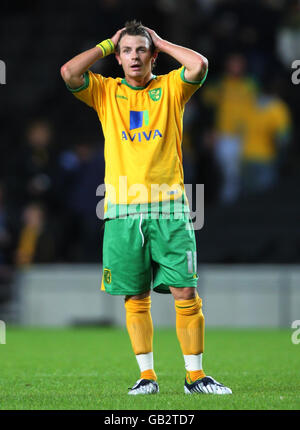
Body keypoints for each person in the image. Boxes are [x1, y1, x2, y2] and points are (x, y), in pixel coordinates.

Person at [60, 20, 231, 396]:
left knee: (185, 292)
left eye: (141, 50)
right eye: (127, 51)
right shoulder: (105, 92)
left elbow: (199, 66)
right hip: (122, 210)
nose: (134, 57)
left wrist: (162, 41)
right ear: (118, 59)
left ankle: (195, 377)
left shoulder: (171, 87)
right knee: (135, 296)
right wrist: (108, 43)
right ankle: (147, 377)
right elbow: (70, 72)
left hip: (170, 209)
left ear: (152, 55)